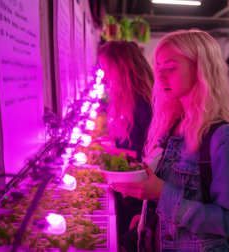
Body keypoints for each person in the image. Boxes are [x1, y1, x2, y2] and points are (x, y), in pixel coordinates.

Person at [111, 29, 229, 251]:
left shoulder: (225, 140)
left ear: (201, 71)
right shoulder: (172, 126)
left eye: (170, 68)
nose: (159, 76)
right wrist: (147, 218)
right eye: (158, 67)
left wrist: (161, 194)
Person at [97, 40, 153, 251]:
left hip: (139, 193)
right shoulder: (128, 99)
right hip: (127, 189)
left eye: (107, 68)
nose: (105, 75)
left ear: (123, 68)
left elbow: (153, 154)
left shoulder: (144, 103)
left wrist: (114, 152)